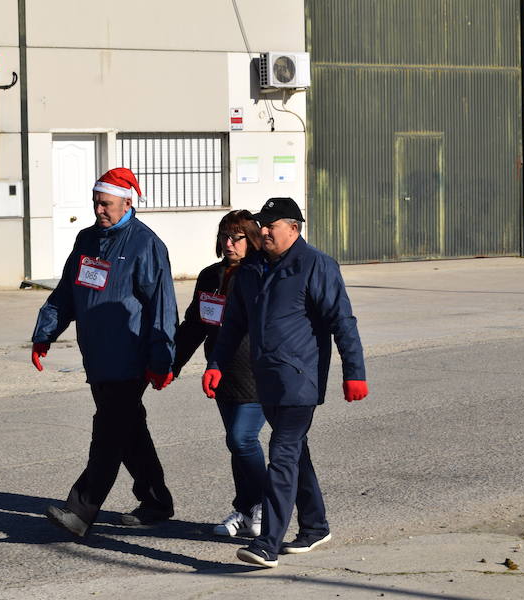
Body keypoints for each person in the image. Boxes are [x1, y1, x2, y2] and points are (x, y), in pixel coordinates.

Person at [202, 197, 369, 568]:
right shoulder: (252, 269)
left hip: (300, 378)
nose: (263, 231)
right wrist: (216, 364)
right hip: (265, 379)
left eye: (272, 225)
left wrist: (354, 372)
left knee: (282, 453)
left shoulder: (316, 265)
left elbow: (342, 321)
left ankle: (267, 543)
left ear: (294, 228)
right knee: (295, 453)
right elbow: (233, 325)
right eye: (261, 224)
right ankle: (315, 526)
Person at [30, 167, 178, 537]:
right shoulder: (87, 239)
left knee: (109, 431)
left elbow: (162, 306)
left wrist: (162, 358)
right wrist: (45, 332)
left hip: (131, 356)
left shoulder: (146, 244)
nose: (99, 210)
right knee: (129, 430)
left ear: (127, 203)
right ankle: (156, 501)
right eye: (96, 202)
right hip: (96, 355)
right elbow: (67, 291)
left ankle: (81, 509)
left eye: (106, 204)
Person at [172, 210, 267, 538]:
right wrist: (173, 364)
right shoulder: (210, 275)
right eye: (224, 237)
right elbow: (195, 325)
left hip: (256, 372)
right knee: (235, 444)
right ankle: (246, 509)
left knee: (242, 438)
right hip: (222, 372)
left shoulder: (261, 273)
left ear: (251, 240)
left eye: (237, 238)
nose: (229, 243)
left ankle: (267, 505)